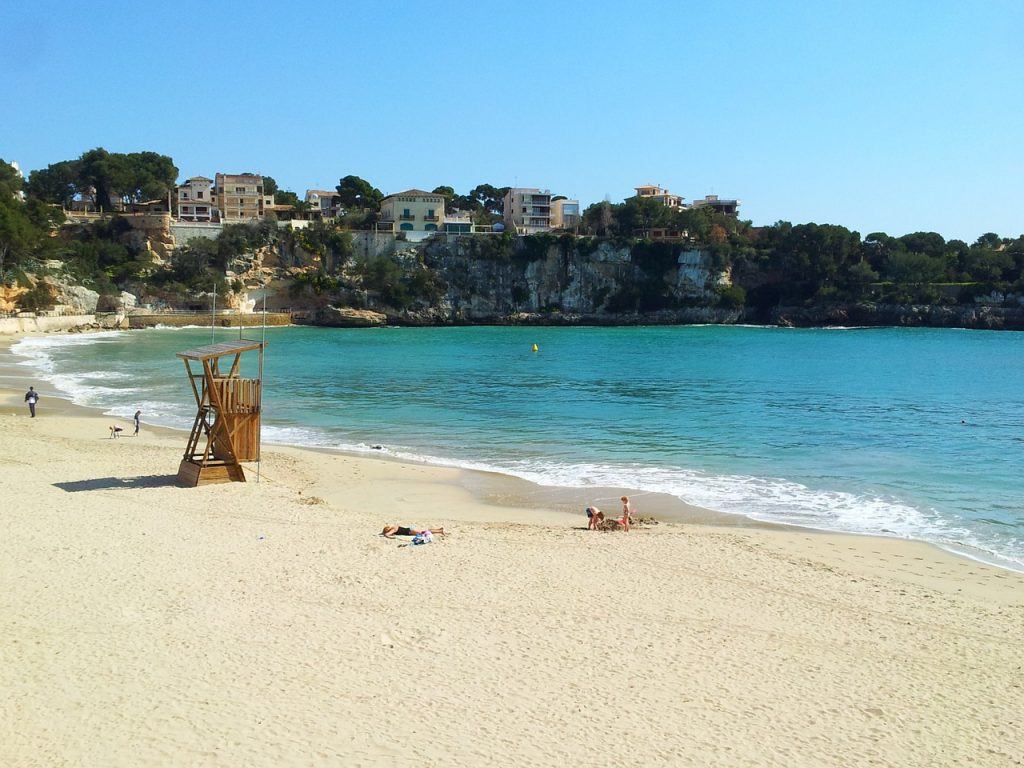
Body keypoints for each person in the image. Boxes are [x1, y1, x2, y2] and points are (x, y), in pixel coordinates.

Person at [380, 524, 446, 539]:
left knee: (425, 532)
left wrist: (391, 537)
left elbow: (387, 535)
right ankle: (439, 529)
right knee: (424, 531)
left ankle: (440, 531)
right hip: (410, 529)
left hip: (410, 531)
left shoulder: (393, 530)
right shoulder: (394, 526)